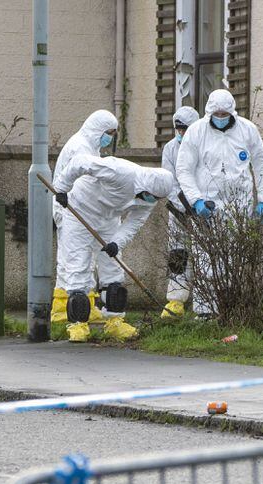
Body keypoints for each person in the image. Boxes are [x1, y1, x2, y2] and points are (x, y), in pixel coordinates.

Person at [52, 158, 176, 342]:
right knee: (78, 266)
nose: (153, 201)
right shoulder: (120, 171)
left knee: (113, 267)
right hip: (80, 211)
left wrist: (117, 242)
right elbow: (80, 162)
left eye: (157, 199)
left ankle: (114, 322)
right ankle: (78, 324)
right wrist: (62, 188)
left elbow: (134, 222)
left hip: (109, 219)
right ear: (145, 186)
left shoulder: (150, 197)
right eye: (152, 196)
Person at [175, 88, 263, 315]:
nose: (220, 118)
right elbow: (184, 170)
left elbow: (261, 165)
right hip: (207, 208)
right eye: (216, 114)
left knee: (237, 260)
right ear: (209, 112)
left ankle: (234, 311)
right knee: (206, 261)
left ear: (232, 113)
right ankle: (206, 314)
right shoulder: (197, 132)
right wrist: (196, 201)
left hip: (240, 206)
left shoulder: (247, 130)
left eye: (224, 114)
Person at [51, 109, 120, 323]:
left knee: (73, 259)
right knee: (74, 260)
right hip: (72, 207)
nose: (109, 137)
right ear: (97, 129)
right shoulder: (80, 147)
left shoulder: (89, 146)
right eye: (108, 132)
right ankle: (65, 309)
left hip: (75, 206)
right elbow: (82, 181)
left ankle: (68, 306)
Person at [159, 105, 200, 319]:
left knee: (204, 255)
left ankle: (205, 300)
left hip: (200, 208)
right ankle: (176, 300)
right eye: (179, 129)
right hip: (178, 210)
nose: (182, 133)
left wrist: (196, 204)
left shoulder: (202, 145)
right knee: (178, 255)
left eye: (186, 129)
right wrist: (181, 207)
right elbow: (169, 180)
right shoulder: (170, 149)